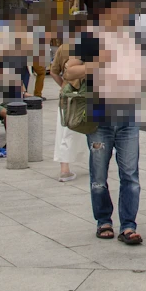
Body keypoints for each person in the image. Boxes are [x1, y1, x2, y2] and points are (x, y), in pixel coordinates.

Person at [64, 0, 146, 245]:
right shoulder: (91, 36)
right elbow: (70, 72)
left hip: (128, 116)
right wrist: (96, 64)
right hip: (98, 117)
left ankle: (128, 224)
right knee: (99, 175)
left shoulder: (135, 37)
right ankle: (103, 220)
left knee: (130, 174)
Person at [49, 16, 88, 181]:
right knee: (93, 130)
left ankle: (64, 168)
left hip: (67, 95)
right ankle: (98, 165)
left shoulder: (63, 48)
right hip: (88, 94)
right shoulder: (93, 47)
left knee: (65, 131)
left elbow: (53, 71)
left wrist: (63, 85)